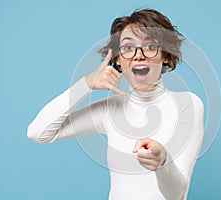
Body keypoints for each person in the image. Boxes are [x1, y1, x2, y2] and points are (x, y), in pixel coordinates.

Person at [27, 9, 204, 200]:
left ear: (166, 56)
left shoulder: (188, 104)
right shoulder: (109, 109)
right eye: (128, 48)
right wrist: (86, 84)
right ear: (118, 59)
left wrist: (163, 161)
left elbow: (177, 194)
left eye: (150, 46)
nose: (138, 55)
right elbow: (37, 133)